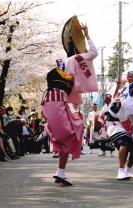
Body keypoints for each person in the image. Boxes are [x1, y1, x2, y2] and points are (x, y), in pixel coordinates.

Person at [41, 23, 98, 186]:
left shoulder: (62, 62)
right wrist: (87, 35)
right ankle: (61, 171)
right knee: (71, 134)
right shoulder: (77, 58)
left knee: (69, 135)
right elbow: (94, 53)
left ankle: (61, 172)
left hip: (51, 101)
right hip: (57, 101)